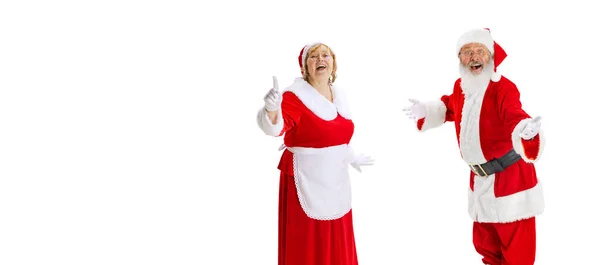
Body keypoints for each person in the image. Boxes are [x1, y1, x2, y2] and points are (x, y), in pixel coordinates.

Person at [402, 28, 545, 265]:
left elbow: (514, 114)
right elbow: (449, 108)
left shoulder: (503, 87)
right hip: (479, 181)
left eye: (480, 51)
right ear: (460, 59)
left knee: (517, 253)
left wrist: (526, 130)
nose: (474, 57)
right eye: (467, 52)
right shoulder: (462, 86)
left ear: (490, 56)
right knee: (487, 248)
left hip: (510, 180)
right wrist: (426, 111)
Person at [257, 43, 374, 265]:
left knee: (337, 237)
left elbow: (336, 135)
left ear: (333, 63)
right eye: (313, 56)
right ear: (304, 67)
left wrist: (351, 156)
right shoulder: (293, 97)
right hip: (306, 179)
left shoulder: (339, 94)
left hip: (336, 181)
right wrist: (272, 110)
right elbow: (276, 127)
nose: (321, 59)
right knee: (308, 242)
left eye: (325, 55)